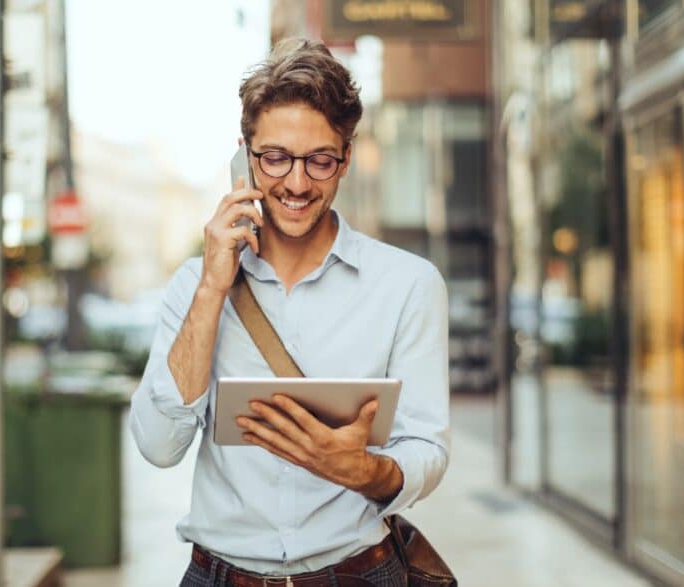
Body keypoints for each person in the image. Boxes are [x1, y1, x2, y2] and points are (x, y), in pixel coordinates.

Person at [130, 38, 450, 587]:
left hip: (359, 573)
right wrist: (212, 288)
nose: (297, 183)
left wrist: (365, 471)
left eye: (319, 160)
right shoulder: (195, 284)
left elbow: (426, 448)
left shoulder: (408, 285)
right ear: (244, 154)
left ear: (346, 158)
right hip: (222, 577)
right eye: (274, 158)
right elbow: (159, 446)